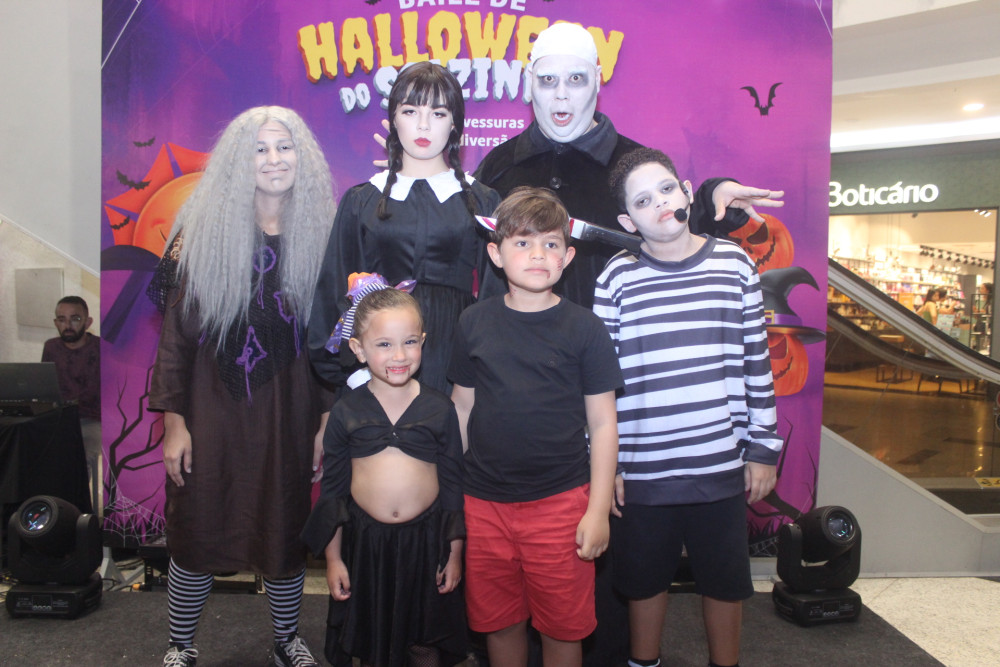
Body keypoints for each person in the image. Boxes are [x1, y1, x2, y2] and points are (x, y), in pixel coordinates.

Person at [148, 106, 336, 667]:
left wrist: (326, 421)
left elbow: (331, 342)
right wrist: (174, 423)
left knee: (283, 527)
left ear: (303, 158)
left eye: (285, 147)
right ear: (238, 160)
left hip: (289, 416)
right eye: (260, 149)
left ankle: (286, 641)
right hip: (210, 413)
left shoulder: (323, 238)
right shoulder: (199, 236)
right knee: (197, 527)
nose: (274, 159)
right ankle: (180, 645)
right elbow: (175, 340)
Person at [593, 148, 782, 667]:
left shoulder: (734, 264)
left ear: (685, 191)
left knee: (724, 582)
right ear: (627, 222)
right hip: (643, 470)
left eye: (666, 190)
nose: (659, 204)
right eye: (642, 201)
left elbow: (756, 359)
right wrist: (607, 465)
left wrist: (764, 447)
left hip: (720, 464)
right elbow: (600, 384)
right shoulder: (616, 278)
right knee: (643, 581)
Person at [473, 22, 785, 310]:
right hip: (511, 344)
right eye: (548, 80)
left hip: (617, 340)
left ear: (597, 80)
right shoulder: (498, 167)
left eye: (576, 79)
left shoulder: (637, 165)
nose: (561, 95)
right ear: (530, 81)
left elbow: (675, 232)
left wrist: (713, 195)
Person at [449, 187, 623, 667]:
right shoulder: (472, 323)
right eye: (523, 243)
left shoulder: (585, 328)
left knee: (562, 628)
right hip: (483, 504)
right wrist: (451, 495)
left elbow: (603, 423)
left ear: (568, 256)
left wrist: (598, 510)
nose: (538, 255)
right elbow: (461, 408)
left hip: (561, 504)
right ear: (496, 254)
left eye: (550, 244)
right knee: (499, 623)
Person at [309, 62, 501, 395]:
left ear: (455, 123)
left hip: (456, 360)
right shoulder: (361, 200)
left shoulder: (482, 201)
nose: (423, 125)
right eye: (411, 111)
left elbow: (495, 297)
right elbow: (334, 292)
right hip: (376, 363)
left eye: (438, 113)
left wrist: (477, 377)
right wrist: (353, 375)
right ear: (393, 119)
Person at [301, 279, 466, 667]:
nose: (399, 355)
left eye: (409, 342)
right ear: (358, 349)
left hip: (426, 545)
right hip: (367, 548)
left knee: (424, 639)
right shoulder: (346, 411)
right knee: (374, 638)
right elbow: (334, 493)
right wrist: (334, 560)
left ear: (423, 341)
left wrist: (455, 553)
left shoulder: (440, 408)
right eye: (384, 344)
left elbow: (452, 485)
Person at [42, 295, 102, 511]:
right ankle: (46, 509)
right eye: (62, 319)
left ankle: (73, 513)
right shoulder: (51, 347)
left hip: (92, 419)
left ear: (88, 322)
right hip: (58, 418)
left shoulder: (100, 348)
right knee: (31, 450)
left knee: (77, 461)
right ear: (55, 322)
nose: (67, 325)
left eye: (75, 319)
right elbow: (45, 387)